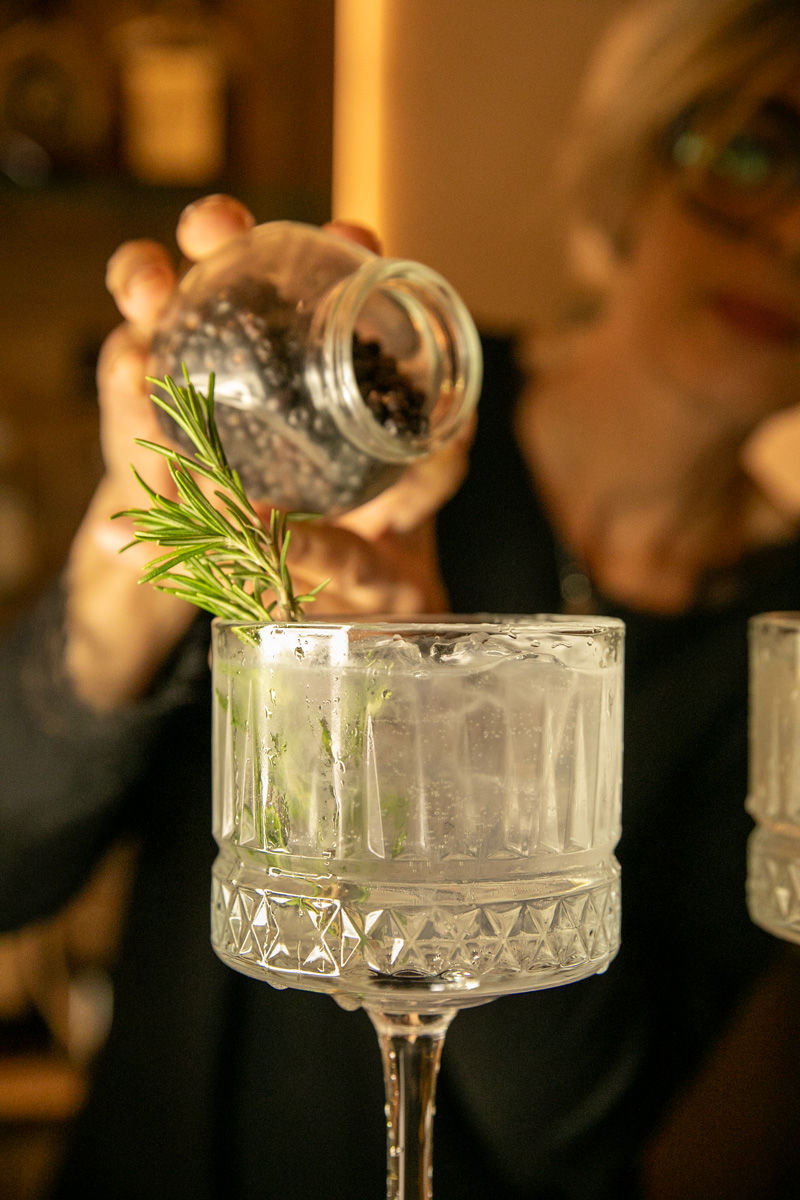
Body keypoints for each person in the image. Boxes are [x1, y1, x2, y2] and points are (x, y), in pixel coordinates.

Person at [3, 0, 800, 1195]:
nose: (789, 230)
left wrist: (420, 704)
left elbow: (579, 1140)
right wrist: (121, 591)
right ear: (629, 165)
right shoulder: (347, 424)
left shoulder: (779, 652)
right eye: (746, 153)